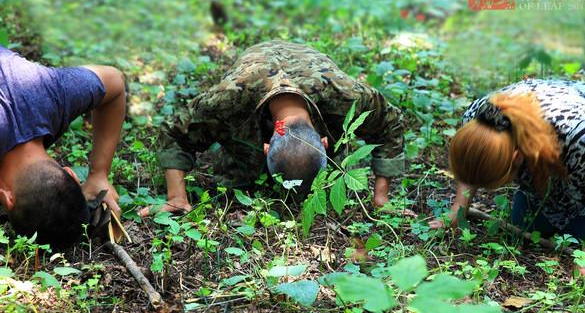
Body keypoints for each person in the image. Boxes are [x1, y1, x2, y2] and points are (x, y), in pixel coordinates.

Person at [143, 40, 406, 216]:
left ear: (325, 142)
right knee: (237, 180)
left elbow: (390, 124)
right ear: (265, 146)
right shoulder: (228, 100)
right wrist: (176, 196)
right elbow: (174, 131)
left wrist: (380, 197)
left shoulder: (346, 96)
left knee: (334, 186)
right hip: (257, 68)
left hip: (308, 66)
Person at [430, 79, 585, 276]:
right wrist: (458, 208)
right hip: (553, 178)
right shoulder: (476, 119)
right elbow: (471, 166)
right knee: (528, 224)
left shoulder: (581, 135)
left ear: (517, 157)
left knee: (580, 236)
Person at [0, 46, 126, 247]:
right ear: (7, 199)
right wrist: (99, 173)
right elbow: (116, 81)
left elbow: (115, 80)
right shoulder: (50, 93)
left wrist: (99, 174)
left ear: (72, 175)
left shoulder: (52, 95)